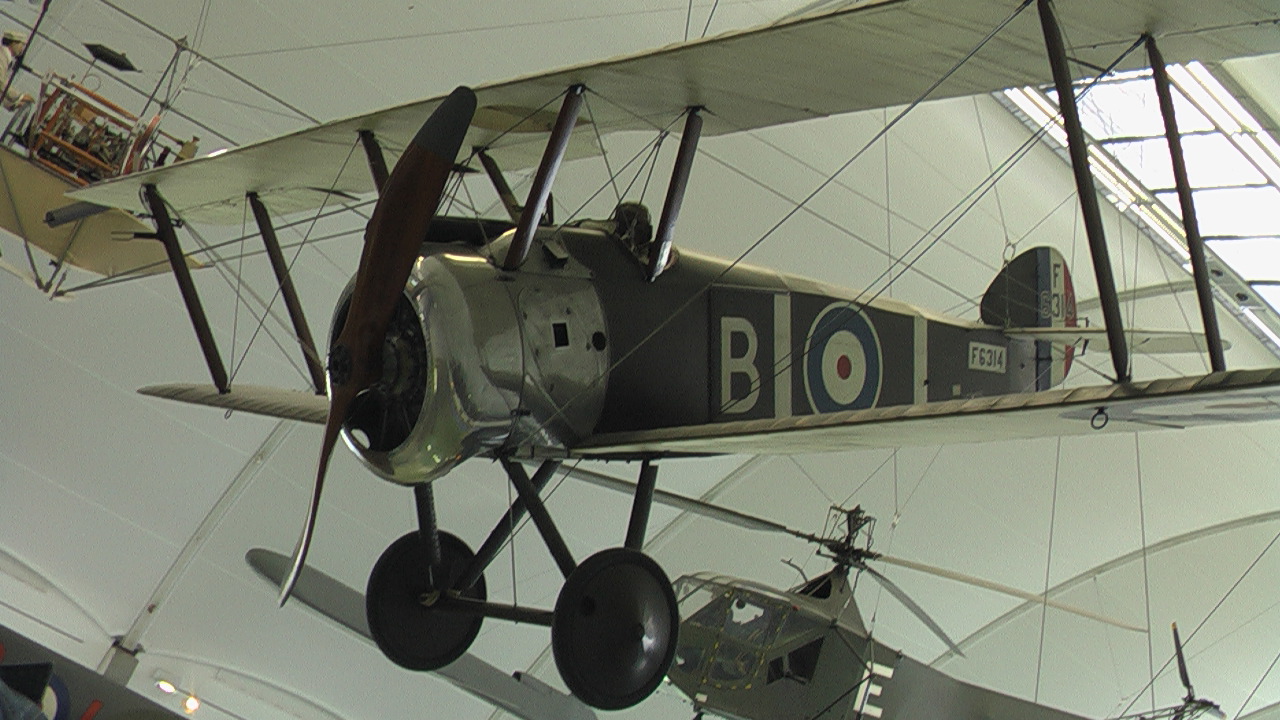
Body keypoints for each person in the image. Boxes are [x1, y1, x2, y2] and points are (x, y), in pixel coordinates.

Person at [1, 30, 32, 111]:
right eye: (22, 45)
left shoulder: (5, 59)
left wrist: (11, 104)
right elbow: (1, 82)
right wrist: (19, 96)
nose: (22, 49)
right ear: (14, 43)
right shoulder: (2, 57)